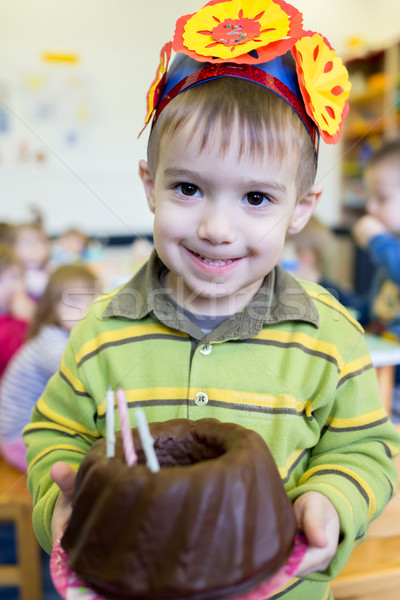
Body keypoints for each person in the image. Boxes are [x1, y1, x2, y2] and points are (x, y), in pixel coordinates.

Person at [23, 2, 400, 599]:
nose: (217, 227)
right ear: (151, 186)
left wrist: (332, 498)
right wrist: (60, 501)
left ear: (300, 209)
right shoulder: (101, 328)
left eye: (256, 198)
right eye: (189, 188)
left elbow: (366, 448)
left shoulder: (330, 335)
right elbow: (55, 436)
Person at [0, 264, 100, 471]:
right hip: (21, 437)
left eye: (93, 300)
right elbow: (79, 375)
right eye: (74, 300)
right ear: (52, 307)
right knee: (87, 465)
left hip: (26, 430)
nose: (85, 309)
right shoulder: (52, 342)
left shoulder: (63, 335)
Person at [352, 138, 400, 420]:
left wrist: (378, 242)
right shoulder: (388, 253)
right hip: (385, 368)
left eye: (381, 198)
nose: (370, 207)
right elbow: (376, 310)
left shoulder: (386, 250)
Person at [0, 243, 35, 377]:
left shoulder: (27, 305)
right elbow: (14, 358)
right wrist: (23, 321)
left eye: (16, 277)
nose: (11, 286)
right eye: (0, 280)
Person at [14, 222, 51, 301]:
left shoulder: (49, 269)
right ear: (14, 247)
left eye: (40, 241)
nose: (35, 246)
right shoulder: (15, 272)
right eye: (28, 242)